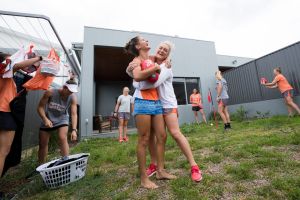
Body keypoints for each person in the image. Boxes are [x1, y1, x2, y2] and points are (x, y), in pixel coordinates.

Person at [131, 41, 203, 182]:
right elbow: (138, 67)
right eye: (161, 48)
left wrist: (135, 81)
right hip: (155, 104)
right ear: (156, 49)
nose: (162, 51)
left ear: (168, 55)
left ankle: (194, 166)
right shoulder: (149, 61)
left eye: (166, 50)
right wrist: (135, 72)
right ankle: (155, 165)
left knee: (175, 133)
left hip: (168, 105)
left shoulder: (166, 67)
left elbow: (154, 83)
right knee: (154, 136)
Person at [125, 36, 175, 189]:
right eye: (143, 40)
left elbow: (161, 59)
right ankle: (144, 178)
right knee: (144, 139)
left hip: (156, 102)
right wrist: (155, 68)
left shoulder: (151, 57)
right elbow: (138, 76)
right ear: (138, 46)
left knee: (162, 136)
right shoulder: (136, 61)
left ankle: (160, 171)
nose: (147, 40)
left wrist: (166, 62)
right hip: (142, 102)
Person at [0, 54, 42, 177]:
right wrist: (39, 58)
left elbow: (28, 86)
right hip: (5, 113)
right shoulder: (4, 69)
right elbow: (17, 66)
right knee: (3, 153)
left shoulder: (9, 78)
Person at [37, 78, 78, 164]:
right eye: (69, 91)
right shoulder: (50, 92)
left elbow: (74, 114)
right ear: (64, 87)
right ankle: (41, 166)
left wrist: (74, 130)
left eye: (72, 92)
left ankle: (66, 163)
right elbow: (40, 107)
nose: (70, 93)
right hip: (48, 118)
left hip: (62, 119)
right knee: (43, 144)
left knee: (62, 137)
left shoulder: (73, 97)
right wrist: (45, 119)